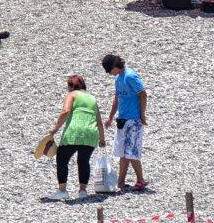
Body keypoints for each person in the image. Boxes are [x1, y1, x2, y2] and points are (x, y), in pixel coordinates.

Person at [45, 75, 105, 201]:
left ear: (72, 86)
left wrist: (55, 129)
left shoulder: (72, 94)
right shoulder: (92, 99)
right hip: (91, 133)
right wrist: (102, 138)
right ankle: (83, 191)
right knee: (83, 161)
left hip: (75, 132)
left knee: (62, 158)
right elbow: (99, 122)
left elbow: (66, 111)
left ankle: (62, 191)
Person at [102, 54, 147, 191]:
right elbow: (117, 98)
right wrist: (110, 117)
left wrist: (142, 114)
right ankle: (121, 183)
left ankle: (141, 180)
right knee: (123, 153)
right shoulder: (117, 78)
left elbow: (143, 94)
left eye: (109, 70)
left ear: (115, 66)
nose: (109, 73)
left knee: (131, 152)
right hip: (122, 120)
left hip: (134, 120)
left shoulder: (130, 76)